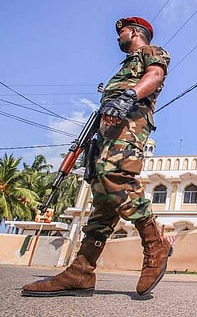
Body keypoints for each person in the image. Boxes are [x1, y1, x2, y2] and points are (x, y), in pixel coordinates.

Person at [22, 16, 172, 296]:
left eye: (122, 31)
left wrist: (129, 95)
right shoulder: (125, 66)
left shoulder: (151, 52)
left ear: (136, 32)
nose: (118, 37)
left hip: (130, 123)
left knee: (114, 174)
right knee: (103, 200)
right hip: (107, 130)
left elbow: (155, 76)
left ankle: (154, 242)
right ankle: (81, 270)